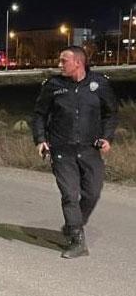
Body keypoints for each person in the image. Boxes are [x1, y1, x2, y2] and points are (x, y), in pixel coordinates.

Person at [32, 46, 118, 259]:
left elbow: (111, 114)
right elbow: (39, 114)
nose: (59, 65)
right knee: (70, 194)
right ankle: (77, 240)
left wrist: (107, 137)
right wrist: (40, 139)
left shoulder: (99, 84)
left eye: (64, 61)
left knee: (92, 193)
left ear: (78, 63)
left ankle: (74, 223)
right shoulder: (53, 85)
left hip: (90, 150)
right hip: (62, 150)